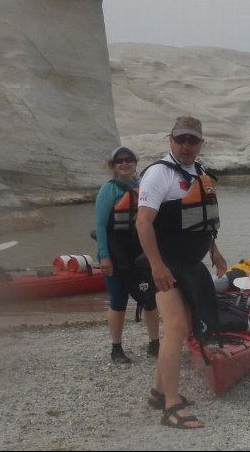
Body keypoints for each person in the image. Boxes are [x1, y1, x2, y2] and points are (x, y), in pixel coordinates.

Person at [136, 115, 226, 429]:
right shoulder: (159, 175)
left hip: (190, 263)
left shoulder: (199, 173)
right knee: (175, 328)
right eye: (181, 140)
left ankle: (159, 393)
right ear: (171, 140)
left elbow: (204, 222)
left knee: (184, 326)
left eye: (193, 140)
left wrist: (214, 251)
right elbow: (143, 222)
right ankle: (172, 407)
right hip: (165, 263)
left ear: (201, 143)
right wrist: (157, 266)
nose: (186, 146)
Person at [93, 146, 161, 364]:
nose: (124, 163)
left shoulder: (144, 187)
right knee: (118, 300)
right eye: (119, 161)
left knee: (150, 299)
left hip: (140, 254)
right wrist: (104, 256)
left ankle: (154, 343)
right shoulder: (108, 190)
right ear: (113, 166)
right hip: (115, 254)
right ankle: (116, 348)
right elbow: (100, 226)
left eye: (128, 159)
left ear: (135, 162)